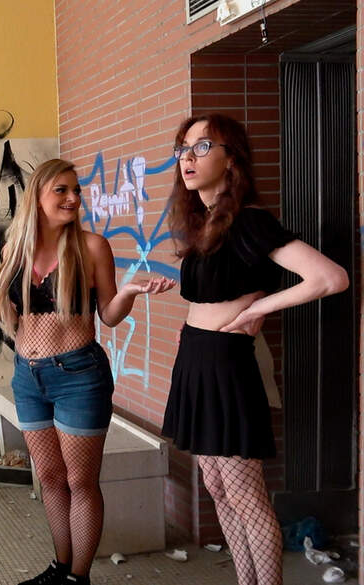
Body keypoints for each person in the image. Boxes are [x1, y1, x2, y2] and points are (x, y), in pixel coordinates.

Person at [0, 158, 175, 585]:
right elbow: (10, 314)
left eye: (76, 190)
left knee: (81, 481)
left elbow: (109, 316)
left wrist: (131, 291)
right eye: (62, 190)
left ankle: (78, 577)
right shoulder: (14, 250)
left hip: (78, 376)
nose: (73, 198)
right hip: (28, 377)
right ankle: (60, 569)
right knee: (51, 479)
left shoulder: (91, 247)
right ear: (37, 197)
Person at [161, 113, 349, 585]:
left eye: (203, 147)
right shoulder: (205, 222)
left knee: (245, 493)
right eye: (183, 148)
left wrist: (258, 308)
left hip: (227, 363)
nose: (188, 157)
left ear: (232, 160)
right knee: (217, 486)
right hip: (195, 359)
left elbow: (330, 278)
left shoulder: (249, 220)